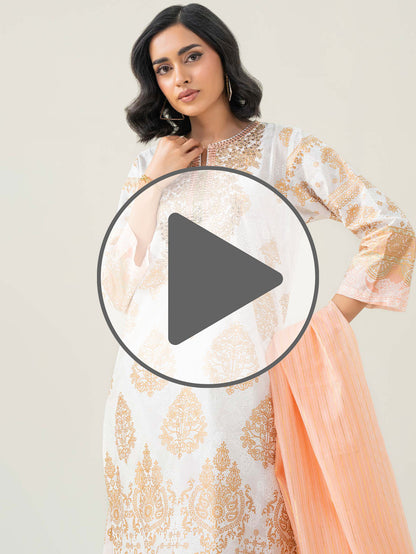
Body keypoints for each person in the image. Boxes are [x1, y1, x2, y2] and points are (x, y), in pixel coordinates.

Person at [101, 4, 415, 552]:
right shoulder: (153, 161)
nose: (180, 77)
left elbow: (390, 229)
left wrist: (324, 325)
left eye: (192, 57)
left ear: (223, 56)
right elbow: (121, 280)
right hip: (146, 393)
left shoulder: (283, 151)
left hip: (243, 391)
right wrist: (154, 180)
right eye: (163, 68)